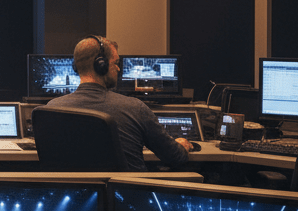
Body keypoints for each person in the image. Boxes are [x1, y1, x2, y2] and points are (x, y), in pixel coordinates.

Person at [46, 36, 191, 170]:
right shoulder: (135, 108)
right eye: (115, 63)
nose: (118, 68)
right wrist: (182, 146)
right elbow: (174, 157)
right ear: (101, 65)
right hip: (126, 189)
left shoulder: (51, 109)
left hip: (73, 190)